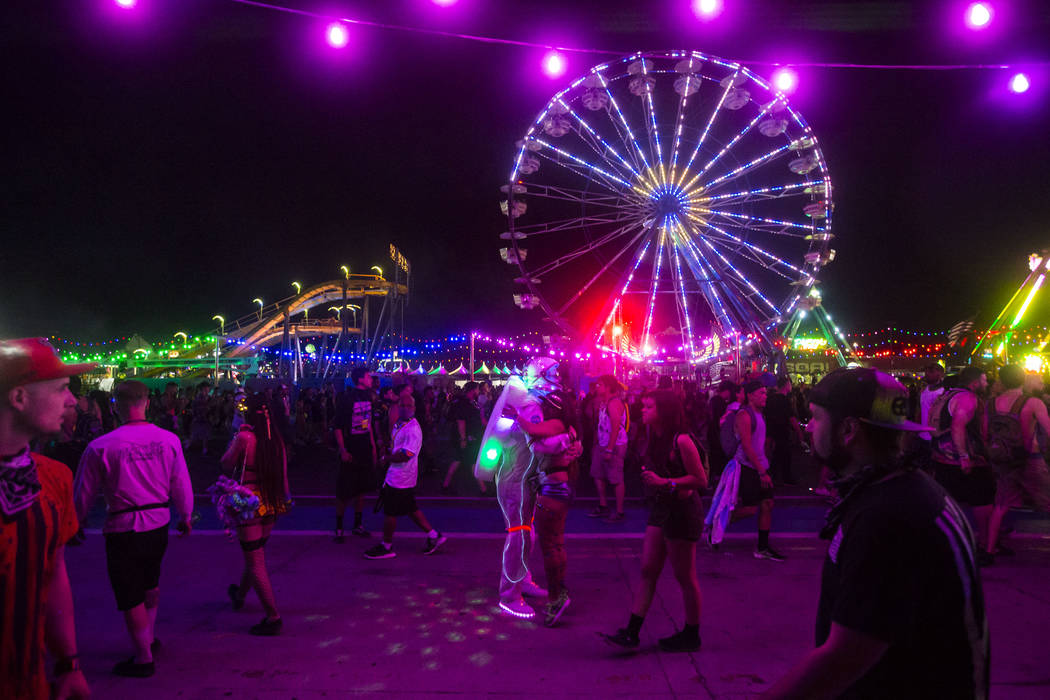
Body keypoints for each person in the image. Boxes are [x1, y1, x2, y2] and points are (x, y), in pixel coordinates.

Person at [764, 368, 988, 699]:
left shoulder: (888, 518)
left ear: (849, 429)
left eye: (815, 418)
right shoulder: (908, 490)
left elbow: (844, 656)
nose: (809, 427)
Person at [74, 380, 194, 677]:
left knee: (129, 593)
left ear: (115, 405)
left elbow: (84, 493)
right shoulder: (168, 440)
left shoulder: (100, 446)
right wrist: (186, 514)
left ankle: (142, 657)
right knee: (150, 583)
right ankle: (148, 639)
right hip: (158, 523)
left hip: (123, 526)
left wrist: (75, 522)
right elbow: (180, 482)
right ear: (147, 403)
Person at [0, 338, 92, 700]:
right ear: (19, 398)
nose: (71, 401)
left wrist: (69, 664)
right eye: (61, 389)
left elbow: (53, 573)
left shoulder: (55, 478)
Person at [602, 390, 708, 652]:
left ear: (665, 410)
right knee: (648, 569)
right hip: (662, 508)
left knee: (685, 576)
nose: (643, 410)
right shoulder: (653, 436)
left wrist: (665, 482)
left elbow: (701, 480)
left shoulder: (681, 440)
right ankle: (632, 631)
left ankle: (692, 633)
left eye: (650, 407)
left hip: (682, 511)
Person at [508, 387, 582, 627]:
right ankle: (560, 591)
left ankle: (554, 598)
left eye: (547, 406)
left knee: (549, 547)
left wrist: (515, 414)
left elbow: (532, 429)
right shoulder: (568, 428)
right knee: (557, 544)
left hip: (551, 490)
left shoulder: (556, 424)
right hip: (560, 488)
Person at [220, 394, 290, 635]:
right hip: (271, 503)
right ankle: (239, 595)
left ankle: (273, 617)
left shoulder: (245, 438)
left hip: (248, 503)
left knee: (256, 561)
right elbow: (284, 476)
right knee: (256, 554)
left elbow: (226, 464)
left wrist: (235, 439)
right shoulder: (275, 440)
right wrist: (285, 500)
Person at [364, 395, 446, 560]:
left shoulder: (413, 430)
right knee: (410, 508)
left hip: (400, 477)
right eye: (402, 405)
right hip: (398, 475)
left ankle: (387, 546)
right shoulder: (400, 423)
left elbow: (406, 455)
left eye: (409, 405)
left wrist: (386, 459)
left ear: (414, 408)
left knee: (390, 512)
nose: (405, 408)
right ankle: (433, 535)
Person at [930, 366, 996, 565]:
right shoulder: (968, 398)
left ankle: (948, 542)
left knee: (950, 504)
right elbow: (958, 426)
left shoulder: (945, 396)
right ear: (974, 382)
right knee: (983, 500)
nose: (986, 384)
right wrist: (965, 456)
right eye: (984, 380)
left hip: (941, 458)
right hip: (964, 460)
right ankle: (984, 543)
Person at [985, 365, 1050, 563]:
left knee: (1001, 505)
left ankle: (989, 550)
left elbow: (986, 433)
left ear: (1002, 380)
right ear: (1023, 379)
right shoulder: (1032, 402)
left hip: (1005, 461)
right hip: (1031, 460)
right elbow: (1048, 429)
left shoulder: (991, 403)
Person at [733, 380, 784, 560]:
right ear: (750, 395)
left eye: (765, 393)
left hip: (761, 465)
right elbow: (747, 447)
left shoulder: (759, 413)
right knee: (750, 509)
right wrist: (761, 471)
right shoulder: (744, 415)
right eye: (761, 393)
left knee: (767, 504)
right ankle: (718, 524)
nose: (765, 396)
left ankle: (762, 548)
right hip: (749, 467)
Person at [332, 367, 377, 541]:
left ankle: (358, 525)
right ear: (359, 379)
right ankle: (339, 527)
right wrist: (343, 450)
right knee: (344, 490)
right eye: (368, 376)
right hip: (350, 449)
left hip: (364, 447)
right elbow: (337, 426)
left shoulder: (369, 397)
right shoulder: (347, 398)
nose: (371, 379)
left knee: (361, 488)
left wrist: (373, 445)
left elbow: (369, 424)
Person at [588, 375, 628, 522]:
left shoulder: (614, 403)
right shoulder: (604, 403)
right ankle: (603, 505)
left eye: (600, 385)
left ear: (608, 387)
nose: (597, 387)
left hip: (615, 445)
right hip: (603, 444)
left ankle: (619, 511)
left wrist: (610, 449)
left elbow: (616, 425)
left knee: (616, 478)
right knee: (597, 474)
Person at [441, 381, 484, 495]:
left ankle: (445, 486)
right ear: (473, 390)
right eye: (478, 389)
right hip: (466, 438)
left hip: (468, 437)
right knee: (470, 461)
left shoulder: (468, 402)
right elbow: (461, 421)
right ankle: (483, 489)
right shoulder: (463, 403)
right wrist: (463, 439)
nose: (479, 391)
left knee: (459, 460)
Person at [764, 376, 804, 485]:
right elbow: (791, 418)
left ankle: (774, 475)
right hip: (782, 430)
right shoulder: (784, 400)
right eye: (790, 384)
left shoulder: (770, 398)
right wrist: (799, 432)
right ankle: (786, 477)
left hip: (771, 430)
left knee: (777, 453)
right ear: (786, 385)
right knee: (785, 454)